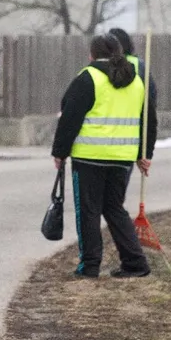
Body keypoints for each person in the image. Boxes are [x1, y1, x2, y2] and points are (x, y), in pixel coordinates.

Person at [51, 33, 158, 279]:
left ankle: (89, 265)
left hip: (89, 157)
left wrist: (60, 152)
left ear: (92, 54)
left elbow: (70, 117)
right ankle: (135, 262)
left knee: (88, 211)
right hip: (122, 158)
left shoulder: (88, 78)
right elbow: (149, 121)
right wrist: (145, 154)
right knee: (114, 208)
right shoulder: (137, 81)